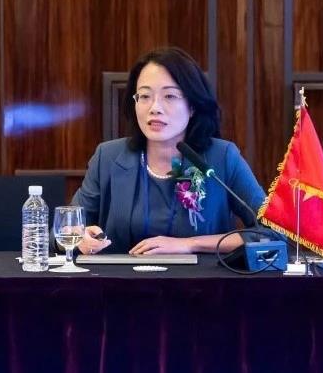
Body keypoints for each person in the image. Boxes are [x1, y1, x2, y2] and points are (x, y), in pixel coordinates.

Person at [71, 47, 265, 255]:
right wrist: (79, 238)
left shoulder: (222, 157)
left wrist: (190, 244)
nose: (155, 108)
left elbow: (274, 232)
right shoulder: (108, 157)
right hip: (119, 276)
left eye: (170, 96)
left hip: (201, 276)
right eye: (145, 96)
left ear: (192, 106)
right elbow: (62, 230)